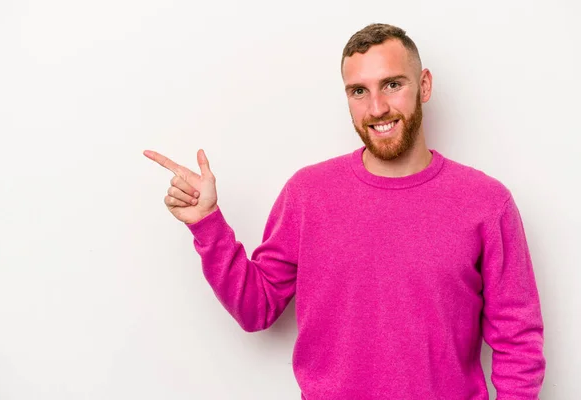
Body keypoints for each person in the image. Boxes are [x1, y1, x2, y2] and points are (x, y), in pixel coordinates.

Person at [143, 23, 546, 400]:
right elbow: (256, 308)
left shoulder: (486, 202)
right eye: (359, 91)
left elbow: (518, 341)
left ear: (424, 85)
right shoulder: (308, 194)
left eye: (392, 84)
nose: (376, 108)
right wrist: (207, 225)